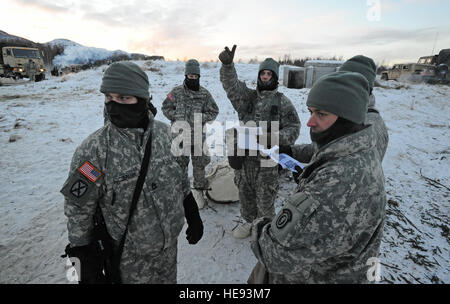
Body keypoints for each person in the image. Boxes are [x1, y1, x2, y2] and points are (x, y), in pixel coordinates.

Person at [60, 61, 204, 284]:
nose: (114, 105)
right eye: (109, 97)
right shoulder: (93, 151)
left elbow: (180, 178)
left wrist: (191, 211)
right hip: (129, 261)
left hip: (168, 251)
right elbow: (78, 209)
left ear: (142, 99)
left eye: (123, 98)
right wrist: (82, 259)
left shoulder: (167, 136)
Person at [250, 71, 387, 283]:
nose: (310, 122)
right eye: (311, 112)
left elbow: (273, 254)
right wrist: (306, 168)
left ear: (346, 117)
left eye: (321, 114)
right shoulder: (360, 147)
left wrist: (259, 226)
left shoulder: (336, 184)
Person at [218, 45, 300, 239]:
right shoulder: (247, 97)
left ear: (275, 77)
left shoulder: (282, 101)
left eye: (269, 74)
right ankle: (249, 222)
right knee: (245, 193)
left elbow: (294, 126)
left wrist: (275, 138)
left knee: (265, 197)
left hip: (267, 159)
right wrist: (228, 66)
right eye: (262, 73)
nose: (265, 76)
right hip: (245, 158)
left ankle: (265, 229)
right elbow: (231, 86)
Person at [279, 55, 389, 178]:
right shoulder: (353, 118)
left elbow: (348, 171)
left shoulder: (365, 124)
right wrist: (291, 151)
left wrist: (311, 178)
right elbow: (331, 148)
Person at [162, 59, 219, 209]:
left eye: (195, 76)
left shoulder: (205, 94)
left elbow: (214, 111)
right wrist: (175, 117)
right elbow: (165, 107)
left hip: (198, 137)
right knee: (179, 166)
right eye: (190, 76)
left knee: (199, 166)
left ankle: (199, 192)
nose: (193, 78)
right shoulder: (176, 92)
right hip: (180, 136)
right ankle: (181, 193)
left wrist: (200, 118)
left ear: (199, 76)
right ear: (186, 75)